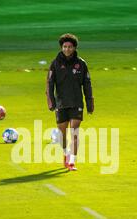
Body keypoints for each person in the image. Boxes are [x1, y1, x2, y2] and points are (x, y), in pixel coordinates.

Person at [46, 33, 94, 171]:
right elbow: (50, 84)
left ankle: (72, 161)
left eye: (70, 47)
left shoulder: (81, 64)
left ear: (74, 48)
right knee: (62, 134)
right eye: (65, 47)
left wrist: (89, 103)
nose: (67, 49)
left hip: (76, 102)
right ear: (61, 47)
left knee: (75, 131)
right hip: (61, 103)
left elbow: (87, 84)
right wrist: (51, 102)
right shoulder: (55, 64)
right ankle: (66, 153)